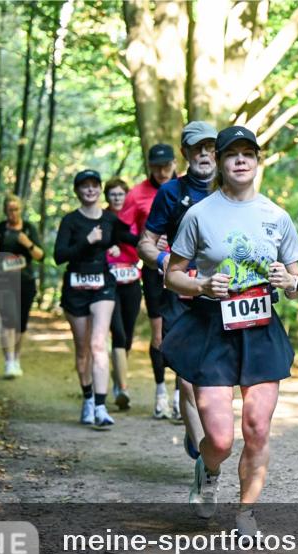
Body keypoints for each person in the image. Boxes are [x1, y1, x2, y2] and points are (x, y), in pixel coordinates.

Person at [164, 126, 298, 537]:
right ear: (221, 164)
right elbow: (173, 276)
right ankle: (207, 471)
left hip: (261, 329)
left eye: (248, 153)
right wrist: (202, 285)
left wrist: (289, 282)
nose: (240, 160)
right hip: (213, 328)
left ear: (258, 161)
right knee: (222, 439)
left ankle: (246, 514)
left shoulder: (276, 216)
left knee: (258, 428)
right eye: (232, 155)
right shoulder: (199, 215)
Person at [138, 123, 216, 458]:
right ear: (184, 153)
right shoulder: (170, 192)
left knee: (214, 381)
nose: (203, 154)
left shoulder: (231, 190)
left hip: (221, 297)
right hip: (179, 295)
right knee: (186, 377)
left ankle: (205, 430)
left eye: (210, 147)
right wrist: (166, 262)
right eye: (196, 148)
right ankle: (203, 455)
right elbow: (145, 242)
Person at [54, 169, 118, 429]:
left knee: (97, 344)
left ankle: (102, 408)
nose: (90, 190)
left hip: (103, 286)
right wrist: (87, 240)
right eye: (85, 186)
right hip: (75, 288)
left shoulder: (110, 219)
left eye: (94, 185)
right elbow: (59, 256)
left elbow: (132, 241)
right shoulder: (70, 221)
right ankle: (88, 398)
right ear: (77, 191)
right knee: (83, 350)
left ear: (100, 188)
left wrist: (116, 247)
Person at [125, 143, 177, 418]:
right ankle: (160, 394)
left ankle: (182, 395)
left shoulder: (186, 188)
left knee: (181, 330)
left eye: (165, 165)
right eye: (156, 166)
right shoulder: (137, 193)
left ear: (175, 163)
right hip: (153, 270)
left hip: (183, 269)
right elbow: (123, 230)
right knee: (158, 334)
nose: (161, 171)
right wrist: (149, 243)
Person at [0, 194, 44, 378]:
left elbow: (40, 255)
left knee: (20, 324)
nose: (13, 213)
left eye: (16, 209)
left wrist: (28, 244)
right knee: (8, 320)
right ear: (5, 211)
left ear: (21, 209)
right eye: (10, 210)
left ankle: (16, 358)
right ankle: (9, 361)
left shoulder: (28, 229)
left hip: (25, 282)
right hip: (3, 281)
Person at [104, 177, 138, 409]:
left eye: (120, 194)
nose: (117, 198)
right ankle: (122, 389)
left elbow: (142, 243)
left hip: (133, 280)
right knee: (117, 333)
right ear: (106, 196)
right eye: (112, 194)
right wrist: (108, 246)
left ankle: (118, 379)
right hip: (109, 281)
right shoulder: (102, 218)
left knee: (127, 335)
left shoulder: (134, 216)